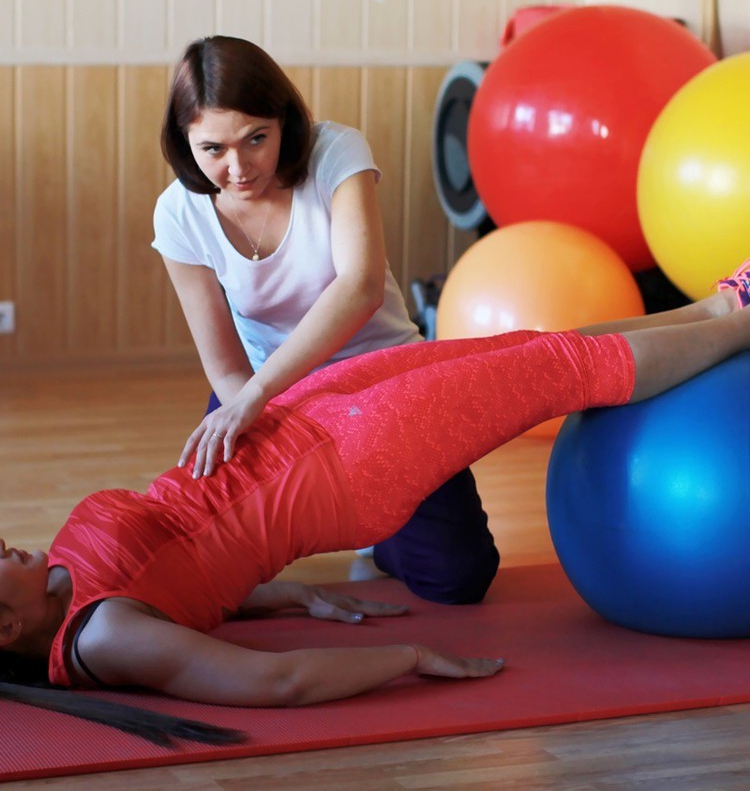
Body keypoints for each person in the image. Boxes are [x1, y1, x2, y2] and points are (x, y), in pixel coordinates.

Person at [3, 272, 750, 743]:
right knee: (556, 372)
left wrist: (289, 594)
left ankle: (721, 304)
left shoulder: (66, 587)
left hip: (297, 419)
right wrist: (409, 658)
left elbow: (179, 582)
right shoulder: (102, 640)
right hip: (346, 466)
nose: (3, 547)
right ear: (5, 627)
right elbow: (273, 683)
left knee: (525, 348)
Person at [151, 34, 498, 605]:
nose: (238, 168)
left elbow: (359, 287)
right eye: (213, 149)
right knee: (204, 569)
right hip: (267, 390)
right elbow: (225, 365)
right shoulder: (179, 213)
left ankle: (378, 534)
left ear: (284, 122)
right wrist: (260, 408)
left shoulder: (336, 152)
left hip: (381, 377)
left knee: (459, 579)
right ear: (185, 144)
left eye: (256, 139)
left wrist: (262, 394)